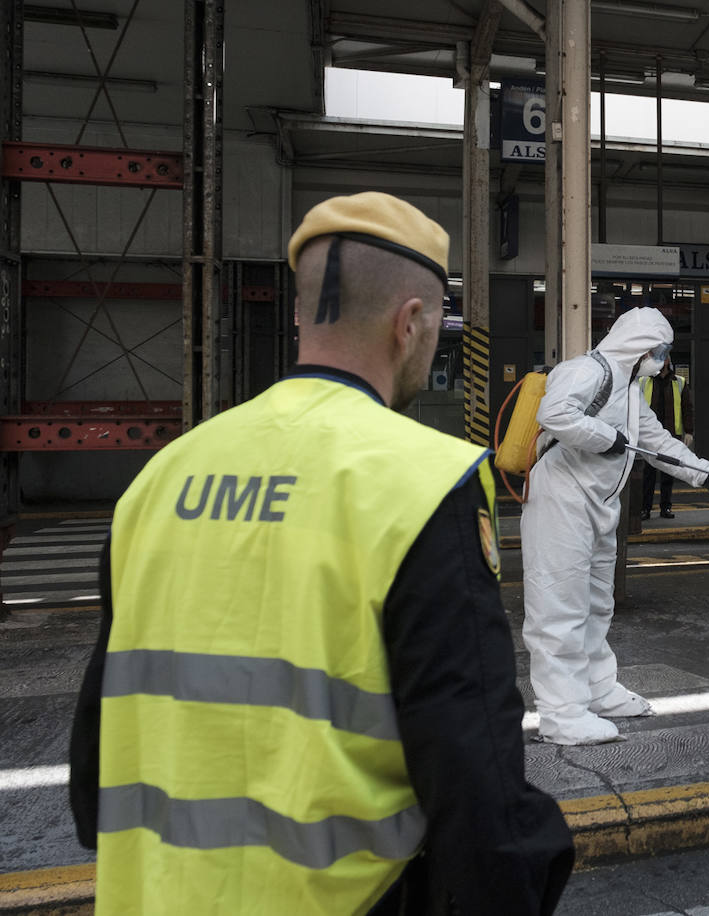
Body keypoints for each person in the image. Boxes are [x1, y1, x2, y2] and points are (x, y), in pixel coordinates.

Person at [68, 192, 574, 915]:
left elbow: (93, 775)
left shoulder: (162, 477)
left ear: (302, 315)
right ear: (411, 324)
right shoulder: (424, 482)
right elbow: (474, 777)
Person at [521, 307, 709, 745]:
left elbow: (655, 442)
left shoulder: (629, 390)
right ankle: (562, 715)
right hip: (561, 501)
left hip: (599, 505)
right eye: (658, 351)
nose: (662, 361)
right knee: (558, 608)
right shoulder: (585, 370)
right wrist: (606, 439)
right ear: (638, 347)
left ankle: (598, 690)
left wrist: (706, 475)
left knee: (596, 605)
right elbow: (555, 414)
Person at [639, 357, 694, 520]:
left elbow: (687, 408)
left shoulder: (679, 382)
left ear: (669, 361)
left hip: (671, 434)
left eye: (664, 358)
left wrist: (689, 431)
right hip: (649, 433)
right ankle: (645, 508)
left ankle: (666, 507)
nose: (662, 361)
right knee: (648, 474)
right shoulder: (643, 381)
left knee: (668, 472)